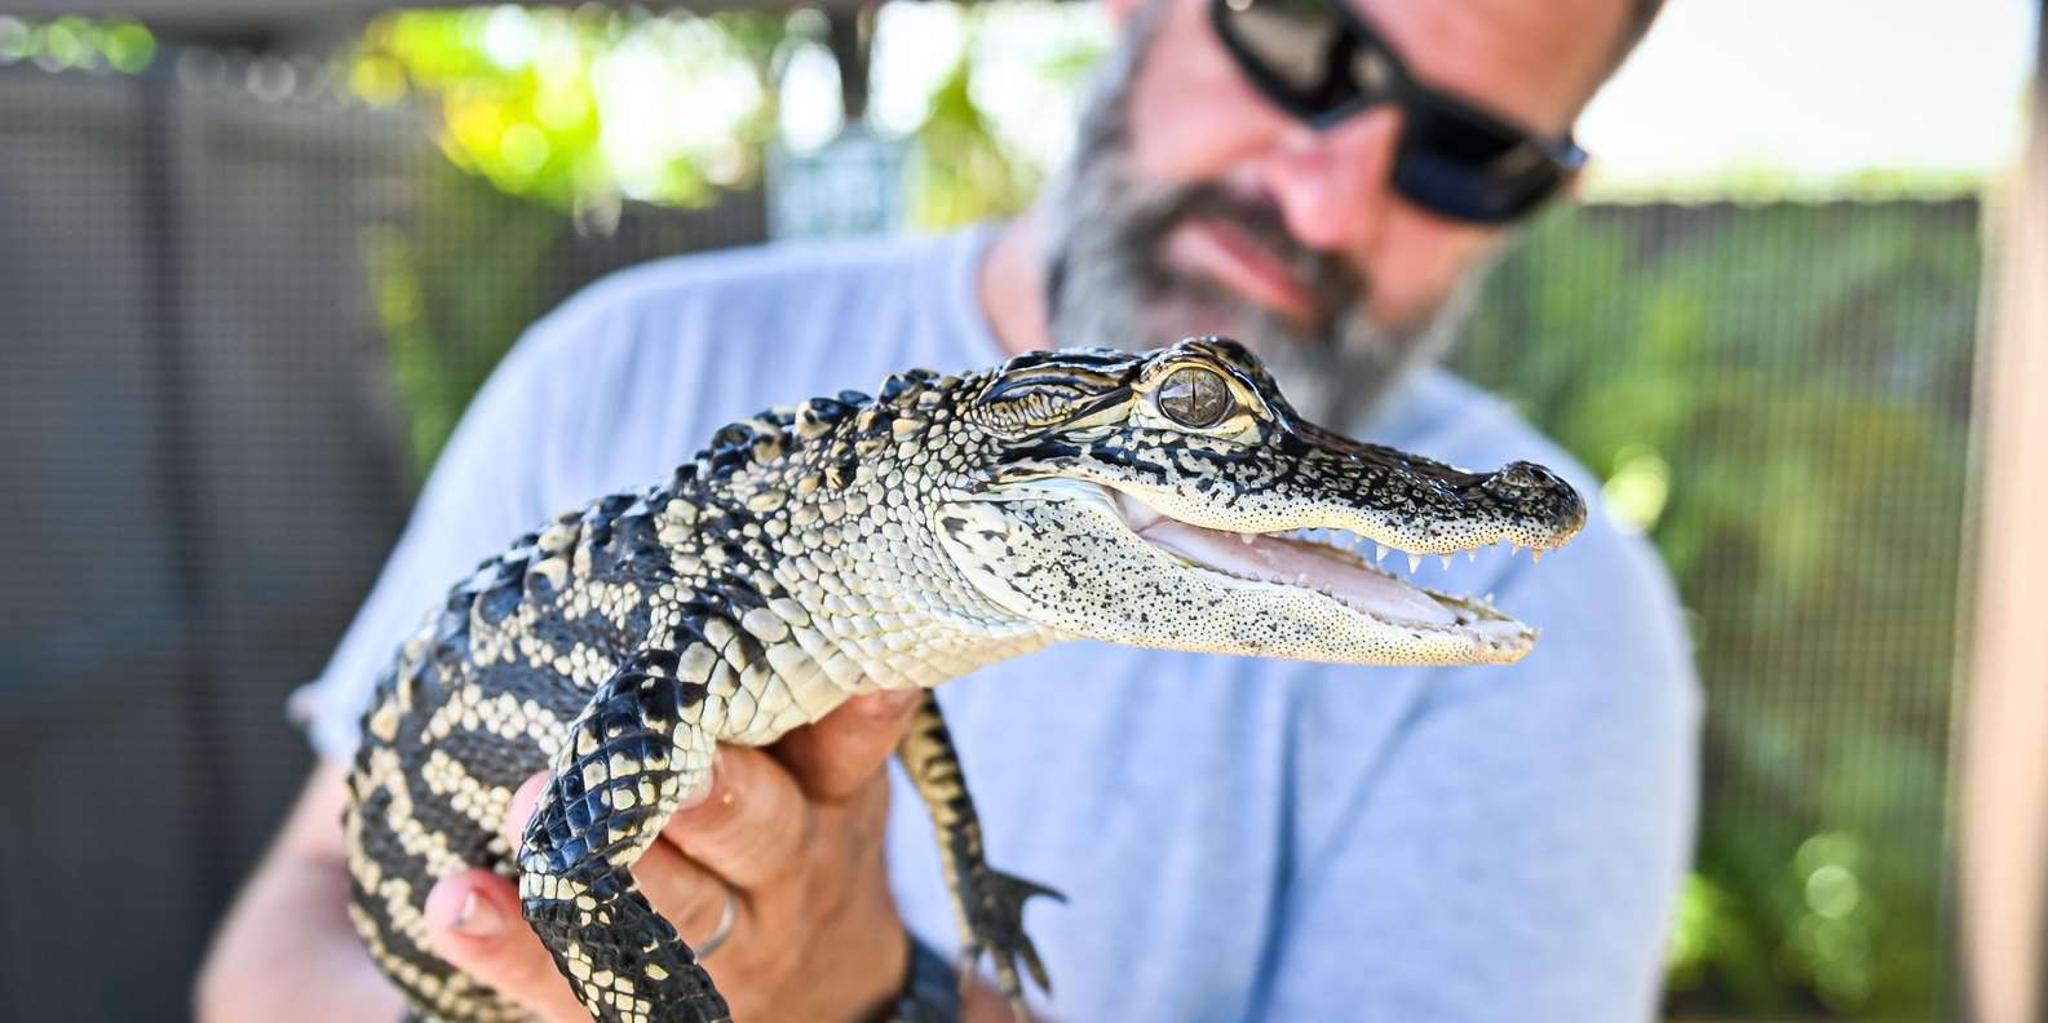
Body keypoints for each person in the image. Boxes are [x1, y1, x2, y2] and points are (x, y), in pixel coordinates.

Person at [197, 0, 1699, 1018]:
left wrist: (871, 996)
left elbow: (897, 712)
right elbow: (322, 920)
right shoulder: (615, 367)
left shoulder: (1571, 612)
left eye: (1468, 153)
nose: (1325, 193)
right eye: (1303, 36)